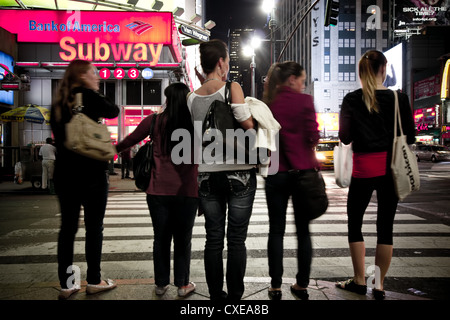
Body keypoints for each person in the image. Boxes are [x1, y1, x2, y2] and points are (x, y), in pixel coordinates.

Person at [336, 50, 415, 300]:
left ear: (360, 73)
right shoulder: (399, 98)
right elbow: (410, 136)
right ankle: (379, 285)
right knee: (385, 227)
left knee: (354, 223)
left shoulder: (351, 99)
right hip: (390, 170)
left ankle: (359, 280)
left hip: (363, 169)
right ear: (384, 69)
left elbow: (345, 137)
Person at [187, 39, 256, 301]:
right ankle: (235, 296)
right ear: (221, 62)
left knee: (213, 238)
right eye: (226, 60)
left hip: (206, 175)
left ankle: (217, 295)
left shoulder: (191, 98)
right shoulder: (232, 87)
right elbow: (245, 121)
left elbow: (194, 139)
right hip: (239, 173)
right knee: (236, 240)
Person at [116, 82, 199, 298]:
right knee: (183, 239)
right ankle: (182, 285)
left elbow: (129, 140)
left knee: (161, 238)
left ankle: (161, 284)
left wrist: (106, 150)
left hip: (158, 191)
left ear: (168, 99)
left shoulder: (154, 121)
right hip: (187, 191)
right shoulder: (195, 124)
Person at [50, 59, 120, 300]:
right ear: (82, 76)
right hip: (92, 175)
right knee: (94, 229)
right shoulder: (89, 97)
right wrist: (94, 92)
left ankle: (67, 284)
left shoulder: (58, 103)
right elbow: (113, 110)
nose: (97, 76)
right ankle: (94, 280)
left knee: (67, 230)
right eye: (93, 72)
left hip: (65, 175)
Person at [262, 61, 320, 300]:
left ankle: (275, 286)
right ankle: (301, 284)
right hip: (303, 174)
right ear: (292, 79)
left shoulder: (269, 104)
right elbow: (313, 136)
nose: (303, 85)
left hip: (276, 173)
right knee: (303, 231)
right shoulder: (304, 101)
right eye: (302, 80)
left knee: (276, 230)